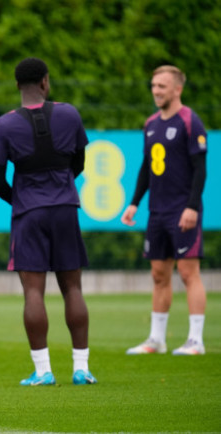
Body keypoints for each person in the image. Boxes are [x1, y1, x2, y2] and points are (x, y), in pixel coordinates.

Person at [0, 57, 97, 386]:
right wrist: (62, 187)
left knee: (33, 292)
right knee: (73, 287)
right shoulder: (69, 113)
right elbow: (79, 161)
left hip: (29, 214)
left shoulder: (4, 125)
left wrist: (22, 201)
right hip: (65, 208)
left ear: (17, 85)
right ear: (45, 82)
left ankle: (43, 371)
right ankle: (81, 369)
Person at [122, 65, 208, 356]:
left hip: (182, 211)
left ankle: (196, 340)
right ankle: (156, 339)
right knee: (159, 274)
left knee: (188, 272)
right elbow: (146, 167)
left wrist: (192, 207)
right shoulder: (151, 124)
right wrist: (134, 202)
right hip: (156, 212)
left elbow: (200, 169)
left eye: (162, 86)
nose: (156, 90)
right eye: (154, 85)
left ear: (177, 89)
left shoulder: (189, 121)